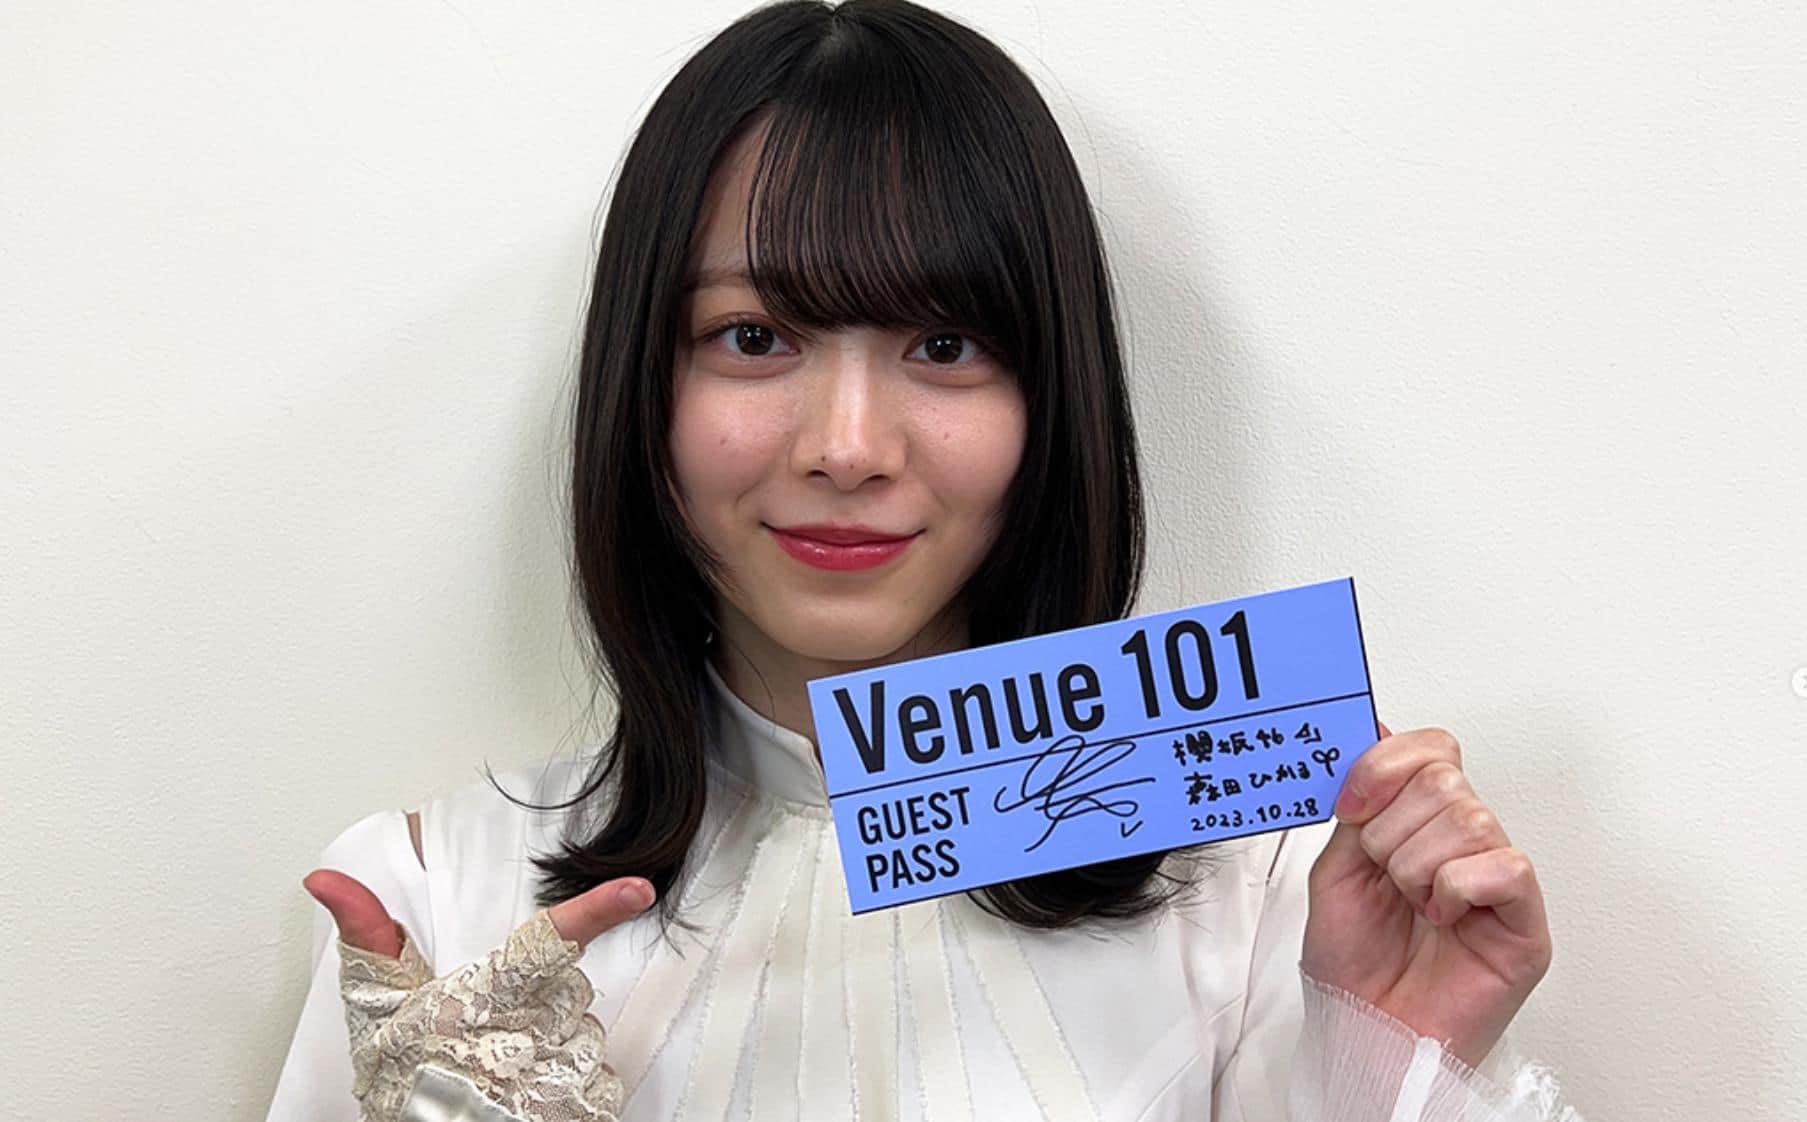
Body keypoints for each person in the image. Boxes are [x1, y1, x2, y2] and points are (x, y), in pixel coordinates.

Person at [266, 2, 1590, 1119]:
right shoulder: (435, 907)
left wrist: (1388, 1056)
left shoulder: (1267, 904)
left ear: (1050, 398)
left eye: (945, 345)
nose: (848, 446)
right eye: (753, 336)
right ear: (644, 383)